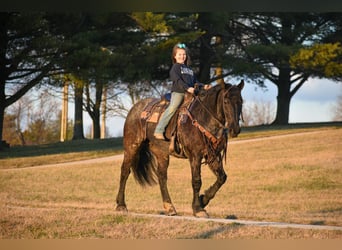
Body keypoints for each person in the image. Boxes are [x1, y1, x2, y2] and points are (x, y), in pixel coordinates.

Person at [154, 43, 210, 140]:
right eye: (179, 54)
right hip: (179, 92)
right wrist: (187, 88)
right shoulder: (175, 68)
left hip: (190, 93)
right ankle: (159, 130)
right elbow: (177, 80)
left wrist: (204, 86)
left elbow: (195, 81)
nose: (182, 56)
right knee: (173, 107)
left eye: (184, 54)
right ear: (175, 56)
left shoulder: (189, 69)